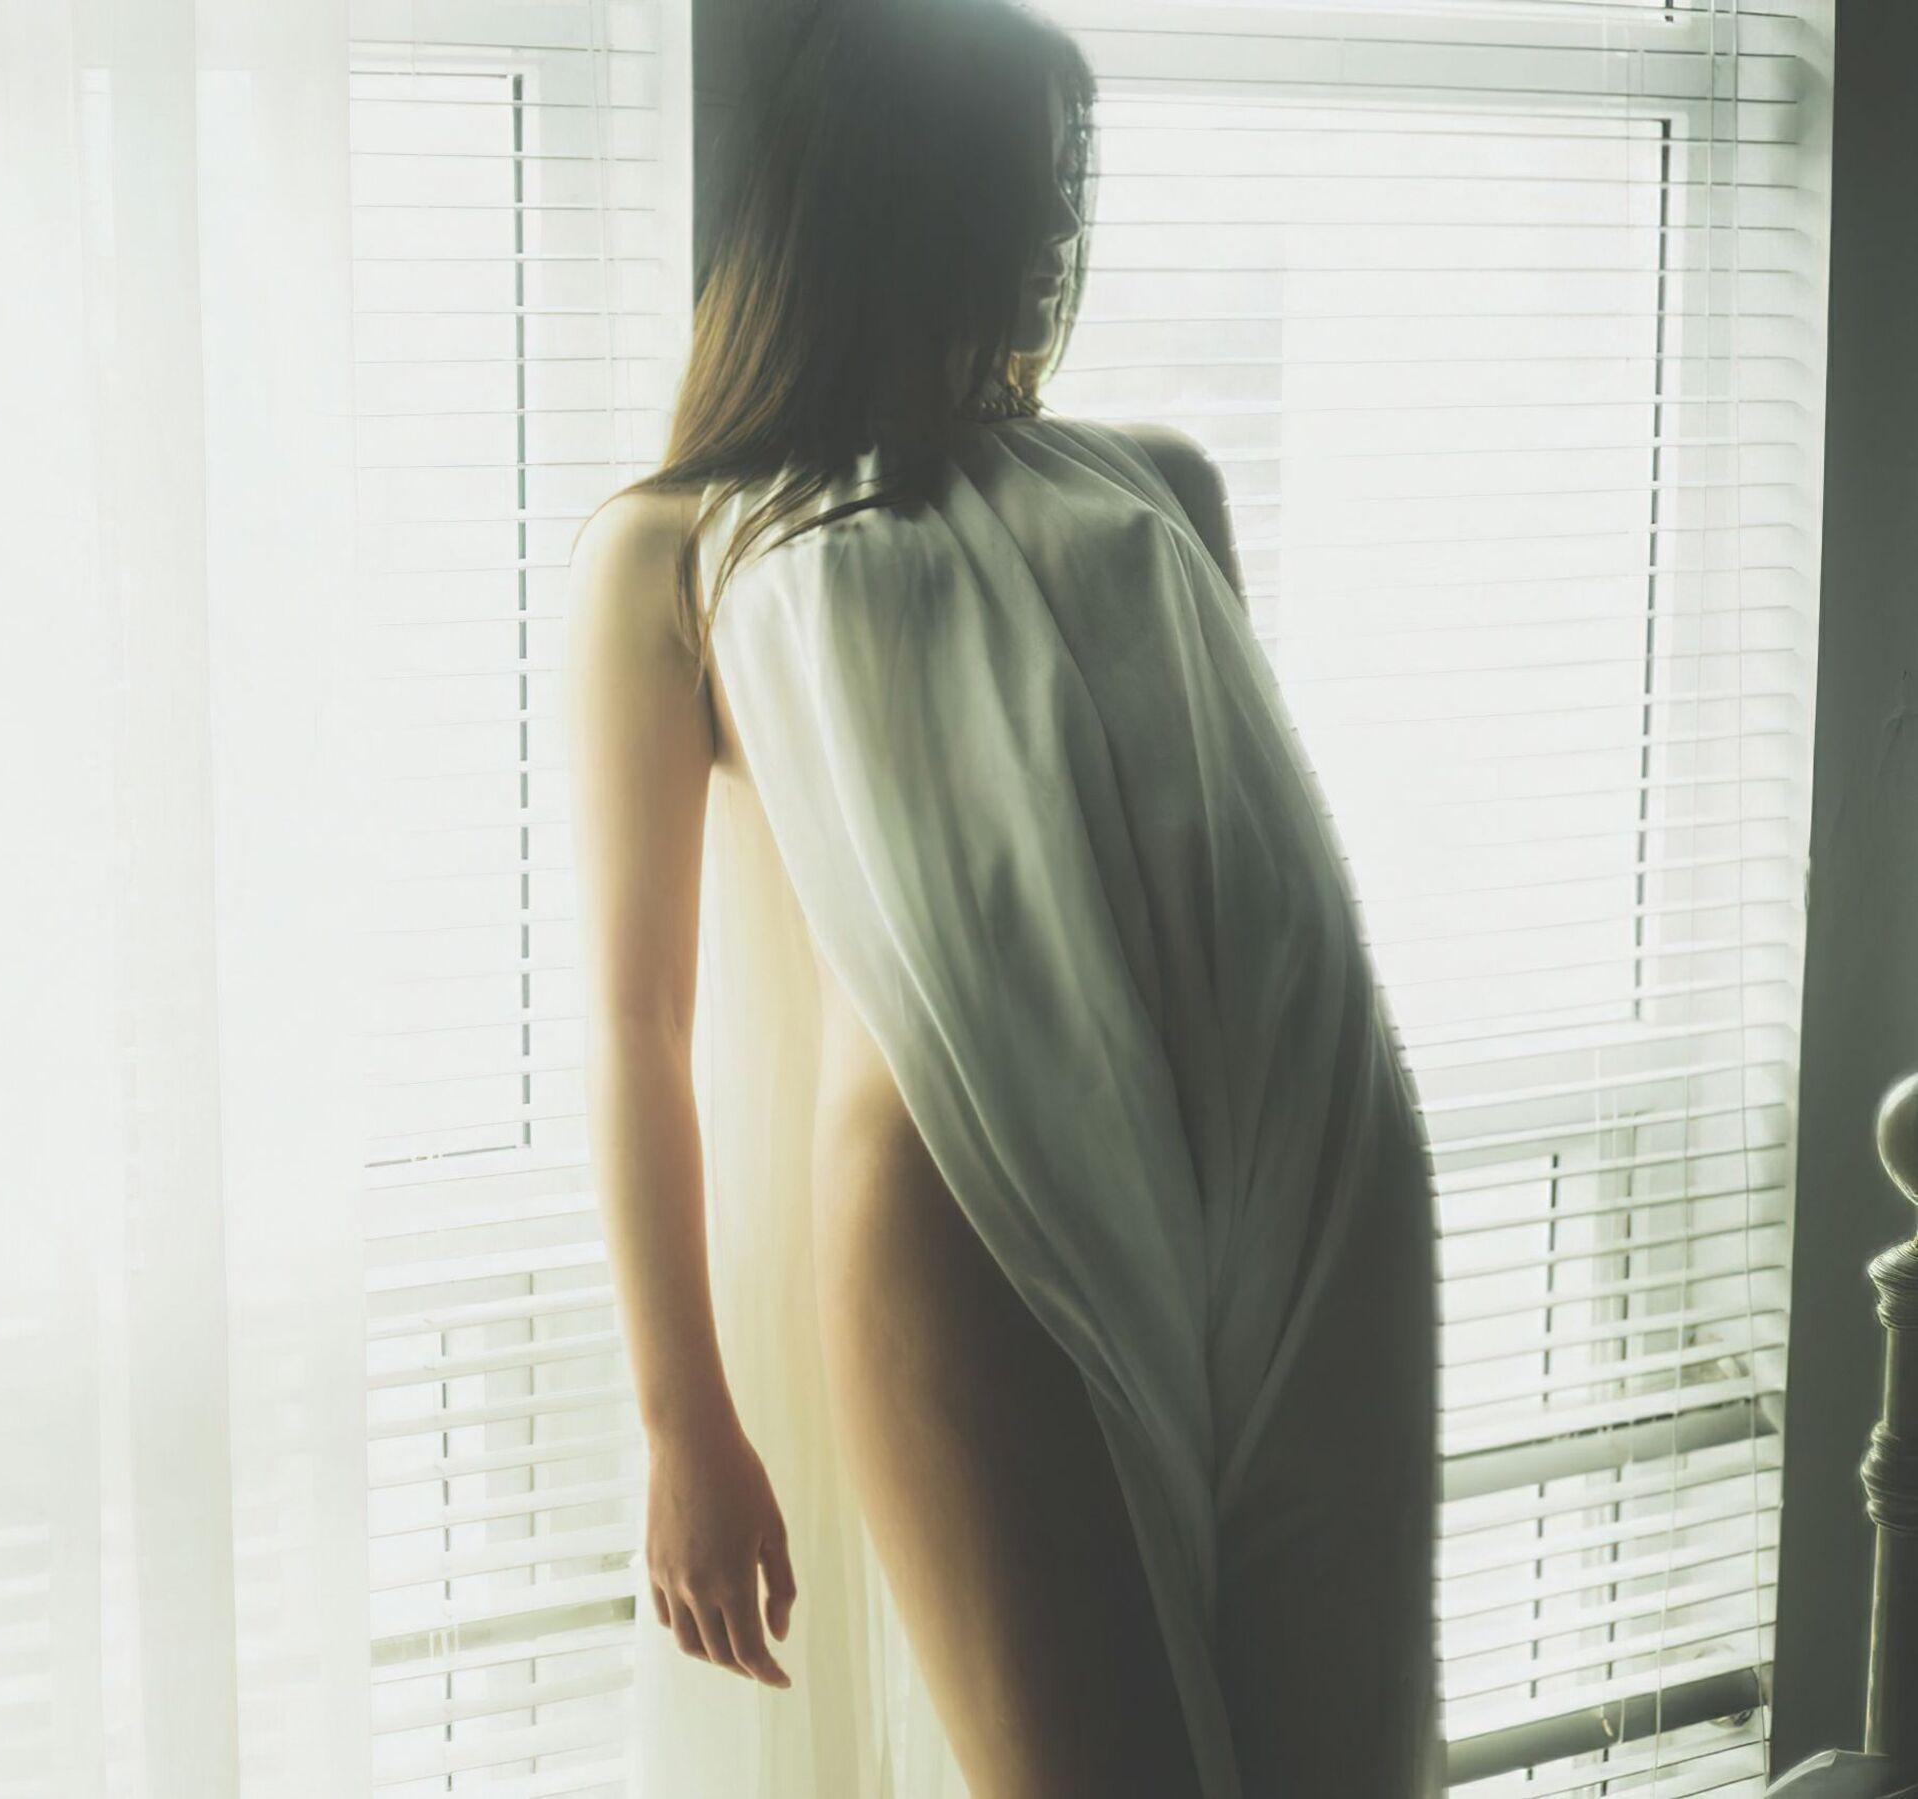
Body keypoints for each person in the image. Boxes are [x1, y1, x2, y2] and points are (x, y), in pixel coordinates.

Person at [562, 2, 1444, 1793]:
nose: (1052, 232)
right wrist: (683, 1420)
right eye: (1013, 183)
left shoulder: (1159, 479)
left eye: (1066, 186)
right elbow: (635, 1019)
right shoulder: (677, 545)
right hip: (973, 1193)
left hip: (1311, 1158)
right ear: (887, 195)